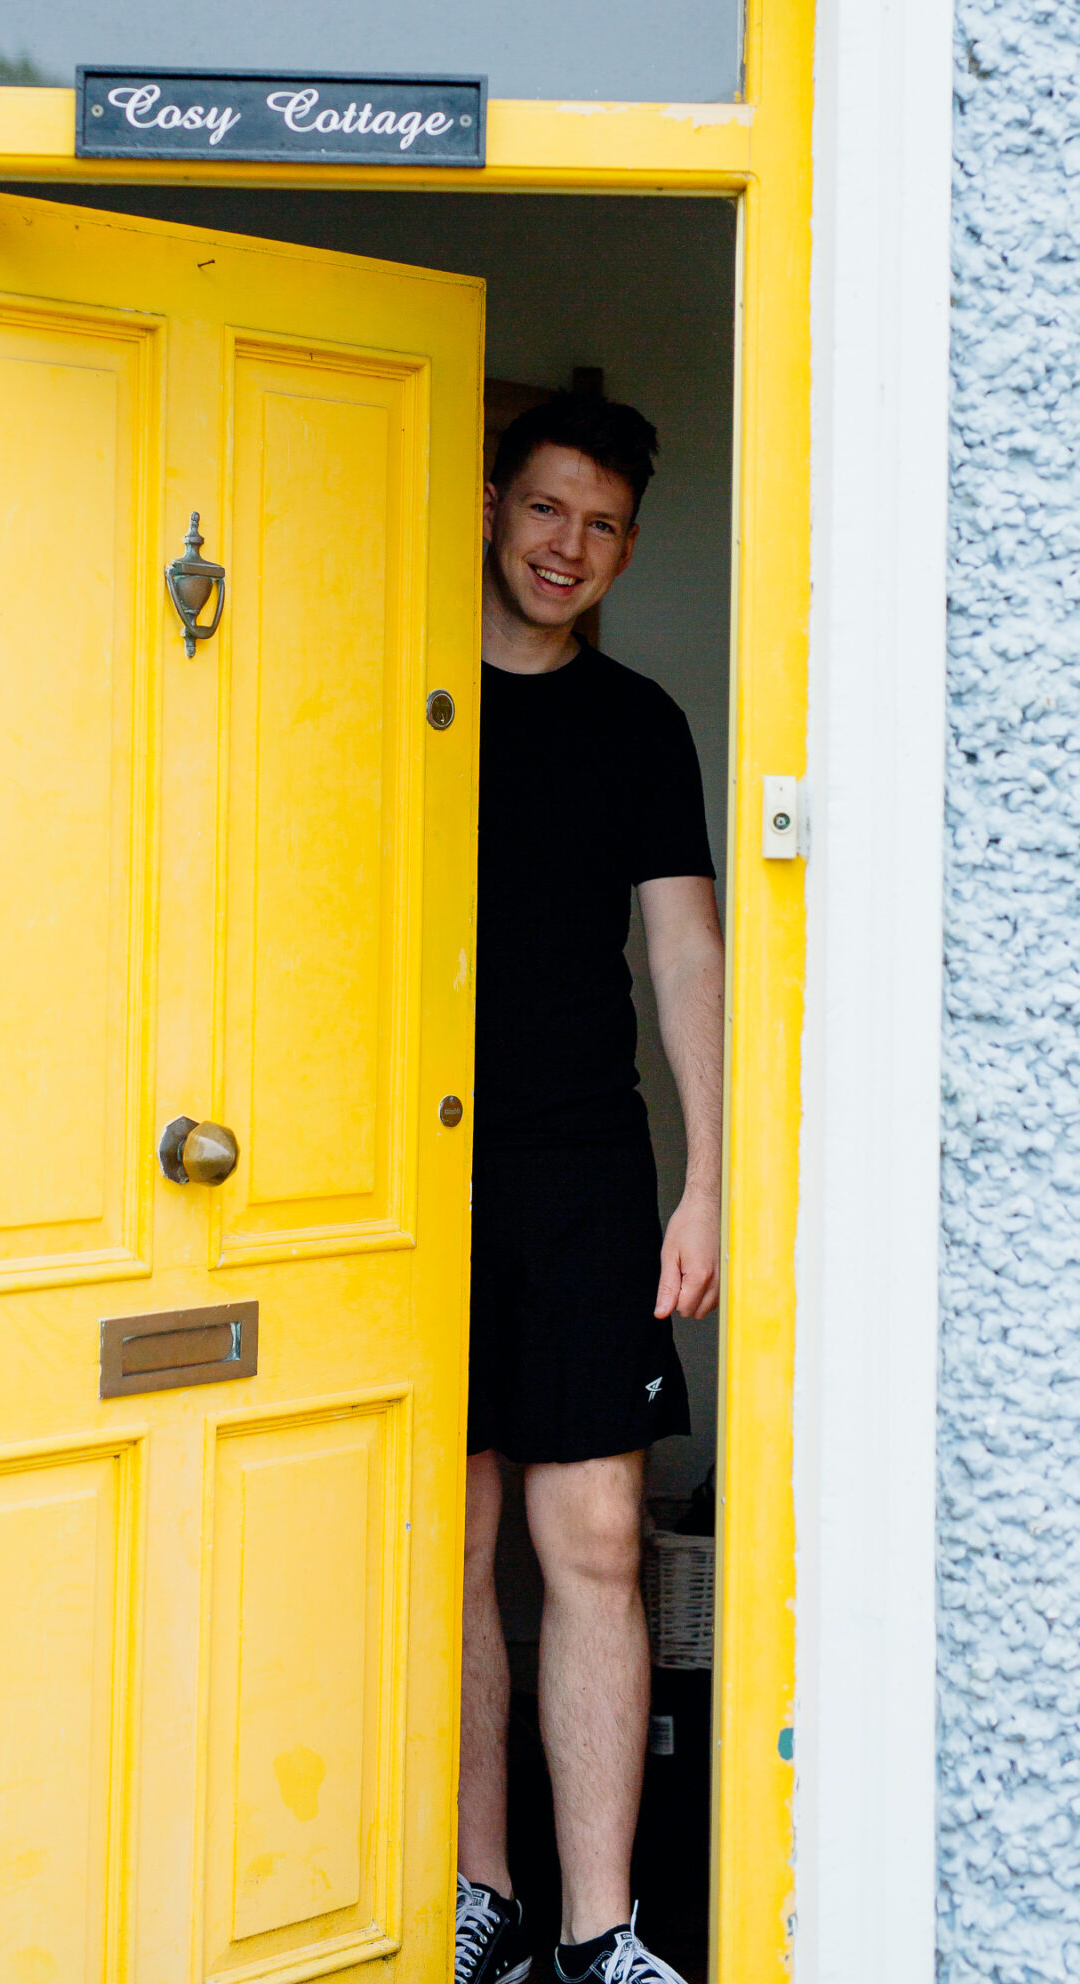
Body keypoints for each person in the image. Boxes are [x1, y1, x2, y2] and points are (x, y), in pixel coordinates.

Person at [456, 395, 724, 1984]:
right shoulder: (406, 692)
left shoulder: (638, 724)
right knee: (455, 1534)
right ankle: (480, 1892)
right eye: (549, 510)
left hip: (583, 1172)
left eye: (603, 524)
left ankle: (599, 1928)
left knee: (599, 1537)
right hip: (412, 1162)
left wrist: (709, 1179)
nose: (570, 547)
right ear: (495, 506)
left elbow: (684, 945)